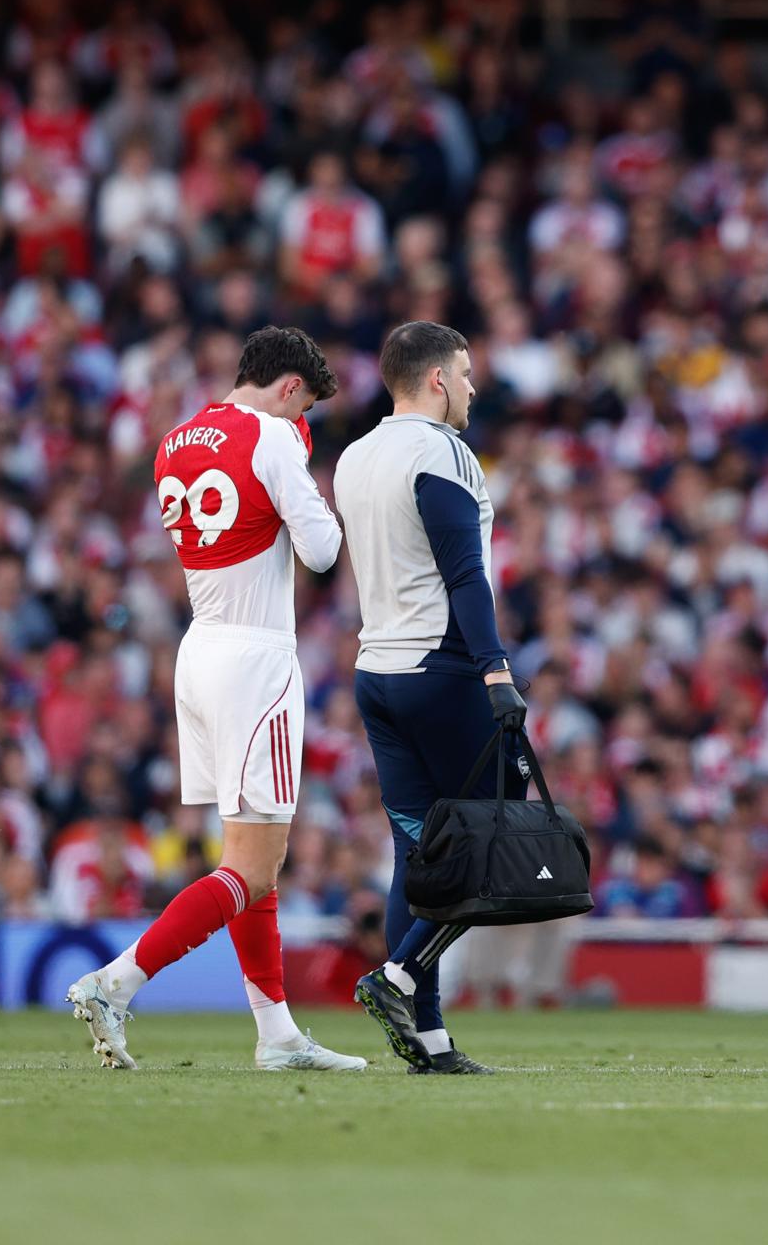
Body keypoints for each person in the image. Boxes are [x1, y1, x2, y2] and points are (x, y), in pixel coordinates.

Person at [65, 326, 363, 1073]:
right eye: (307, 412)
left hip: (199, 650)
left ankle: (277, 1034)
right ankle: (117, 981)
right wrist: (308, 474)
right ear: (290, 387)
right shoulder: (273, 437)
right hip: (256, 657)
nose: (306, 428)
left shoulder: (175, 439)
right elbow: (324, 551)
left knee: (246, 858)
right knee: (256, 867)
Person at [336, 321, 526, 1075]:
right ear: (439, 377)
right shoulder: (442, 450)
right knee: (497, 834)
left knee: (417, 854)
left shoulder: (354, 456)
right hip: (442, 669)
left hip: (377, 671)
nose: (474, 388)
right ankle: (402, 975)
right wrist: (496, 668)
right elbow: (464, 573)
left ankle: (429, 1037)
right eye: (467, 373)